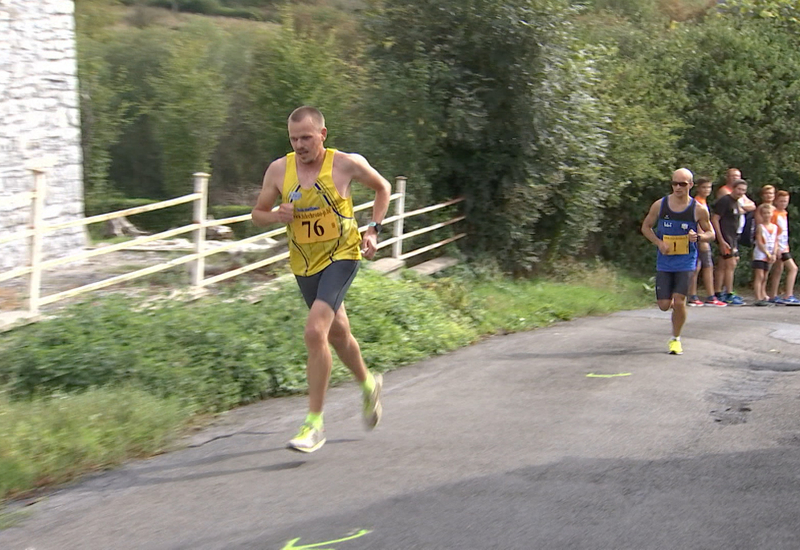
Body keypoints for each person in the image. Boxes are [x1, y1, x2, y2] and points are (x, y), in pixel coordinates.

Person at [251, 106, 391, 453]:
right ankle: (369, 384)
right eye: (294, 138)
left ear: (322, 136)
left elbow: (382, 188)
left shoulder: (344, 163)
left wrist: (373, 230)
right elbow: (257, 215)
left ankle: (314, 424)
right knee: (338, 333)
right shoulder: (279, 170)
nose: (300, 145)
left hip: (343, 255)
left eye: (307, 138)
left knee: (315, 330)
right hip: (304, 263)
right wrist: (275, 216)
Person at [642, 168, 715, 355]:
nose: (678, 187)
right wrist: (658, 242)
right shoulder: (661, 205)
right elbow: (646, 227)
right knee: (664, 305)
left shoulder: (698, 209)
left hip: (686, 261)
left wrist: (697, 237)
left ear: (691, 185)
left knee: (680, 302)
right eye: (674, 183)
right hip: (665, 261)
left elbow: (711, 234)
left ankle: (676, 339)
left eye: (682, 184)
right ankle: (675, 306)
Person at [687, 177, 726, 307]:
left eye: (709, 187)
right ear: (698, 188)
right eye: (704, 187)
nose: (707, 190)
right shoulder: (697, 202)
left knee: (700, 266)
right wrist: (702, 237)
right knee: (704, 267)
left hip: (701, 237)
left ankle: (697, 295)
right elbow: (698, 221)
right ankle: (707, 296)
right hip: (700, 238)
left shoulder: (703, 201)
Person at [711, 178, 749, 306]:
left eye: (743, 190)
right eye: (739, 189)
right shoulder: (725, 201)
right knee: (730, 264)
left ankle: (717, 292)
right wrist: (721, 240)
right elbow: (715, 219)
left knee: (722, 265)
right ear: (733, 188)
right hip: (725, 237)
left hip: (733, 237)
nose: (741, 192)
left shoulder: (737, 202)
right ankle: (729, 293)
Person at [768, 190, 800, 305]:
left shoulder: (784, 213)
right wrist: (775, 248)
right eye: (781, 201)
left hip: (784, 245)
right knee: (793, 268)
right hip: (779, 246)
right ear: (776, 201)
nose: (783, 203)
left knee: (778, 270)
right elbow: (773, 231)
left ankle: (773, 294)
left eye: (785, 201)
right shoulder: (775, 214)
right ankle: (788, 294)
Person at [752, 203, 779, 306]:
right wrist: (767, 253)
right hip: (760, 254)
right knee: (759, 275)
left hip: (771, 253)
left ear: (772, 214)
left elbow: (776, 241)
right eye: (765, 213)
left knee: (765, 277)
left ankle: (763, 294)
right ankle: (758, 297)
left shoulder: (775, 227)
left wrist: (774, 253)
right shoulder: (760, 227)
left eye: (769, 213)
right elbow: (759, 242)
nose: (767, 215)